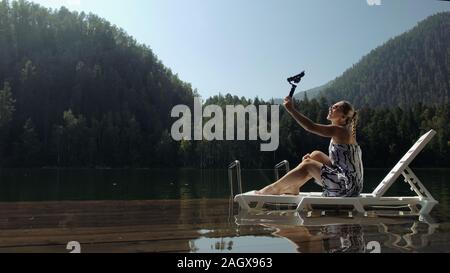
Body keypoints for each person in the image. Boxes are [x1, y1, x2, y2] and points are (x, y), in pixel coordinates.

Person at [256, 97, 363, 197]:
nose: (331, 107)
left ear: (343, 117)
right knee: (316, 155)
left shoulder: (340, 130)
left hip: (347, 187)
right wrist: (313, 161)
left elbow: (310, 126)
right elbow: (341, 163)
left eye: (335, 107)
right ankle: (294, 186)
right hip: (351, 184)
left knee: (308, 164)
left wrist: (291, 110)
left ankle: (274, 189)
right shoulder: (344, 131)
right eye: (332, 106)